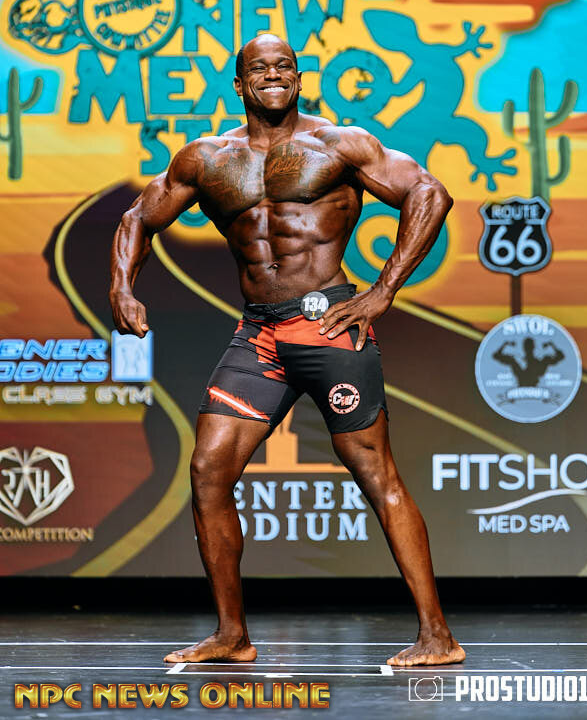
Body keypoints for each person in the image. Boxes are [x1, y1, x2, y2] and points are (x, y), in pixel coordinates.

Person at [110, 33, 465, 668]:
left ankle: (437, 636)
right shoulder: (207, 158)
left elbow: (429, 194)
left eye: (285, 66)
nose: (273, 75)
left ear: (298, 79)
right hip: (260, 333)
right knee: (208, 470)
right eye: (259, 68)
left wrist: (384, 289)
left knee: (375, 474)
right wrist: (122, 288)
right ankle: (232, 636)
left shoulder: (339, 144)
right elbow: (138, 217)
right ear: (239, 84)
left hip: (329, 326)